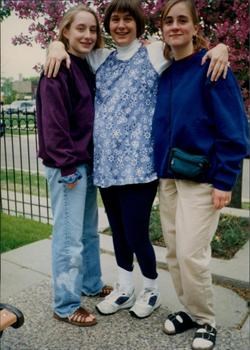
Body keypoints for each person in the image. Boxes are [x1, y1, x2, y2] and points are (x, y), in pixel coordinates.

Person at [44, 0, 229, 319]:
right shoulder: (99, 57)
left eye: (128, 20)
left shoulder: (155, 52)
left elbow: (187, 45)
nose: (121, 25)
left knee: (136, 232)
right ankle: (125, 287)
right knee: (116, 231)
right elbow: (69, 44)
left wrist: (221, 47)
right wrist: (54, 46)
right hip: (106, 165)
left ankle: (152, 288)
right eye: (114, 20)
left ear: (138, 24)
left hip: (140, 167)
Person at [152, 0, 248, 349]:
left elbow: (234, 129)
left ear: (194, 27)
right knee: (176, 253)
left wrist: (225, 180)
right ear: (162, 28)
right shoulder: (165, 74)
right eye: (169, 21)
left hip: (203, 178)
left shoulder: (211, 67)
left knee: (193, 252)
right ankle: (189, 311)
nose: (175, 26)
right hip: (170, 178)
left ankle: (207, 320)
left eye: (182, 20)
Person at [36, 5, 112, 327]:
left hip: (85, 163)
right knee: (69, 238)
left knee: (87, 233)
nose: (87, 35)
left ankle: (91, 284)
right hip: (68, 167)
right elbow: (53, 126)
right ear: (65, 31)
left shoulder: (86, 65)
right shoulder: (58, 68)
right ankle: (66, 305)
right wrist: (68, 168)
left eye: (93, 29)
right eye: (80, 28)